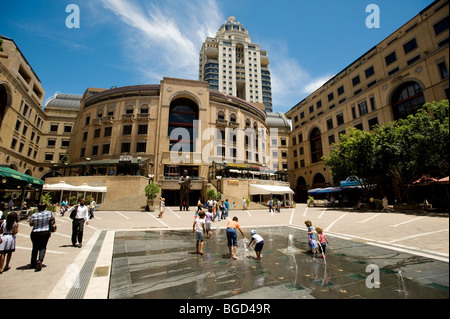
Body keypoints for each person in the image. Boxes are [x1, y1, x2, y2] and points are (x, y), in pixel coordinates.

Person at [29, 203, 54, 271]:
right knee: (43, 247)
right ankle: (40, 260)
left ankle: (33, 263)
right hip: (45, 232)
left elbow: (31, 224)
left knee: (35, 247)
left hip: (35, 232)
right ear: (45, 207)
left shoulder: (34, 215)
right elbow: (53, 220)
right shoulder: (49, 213)